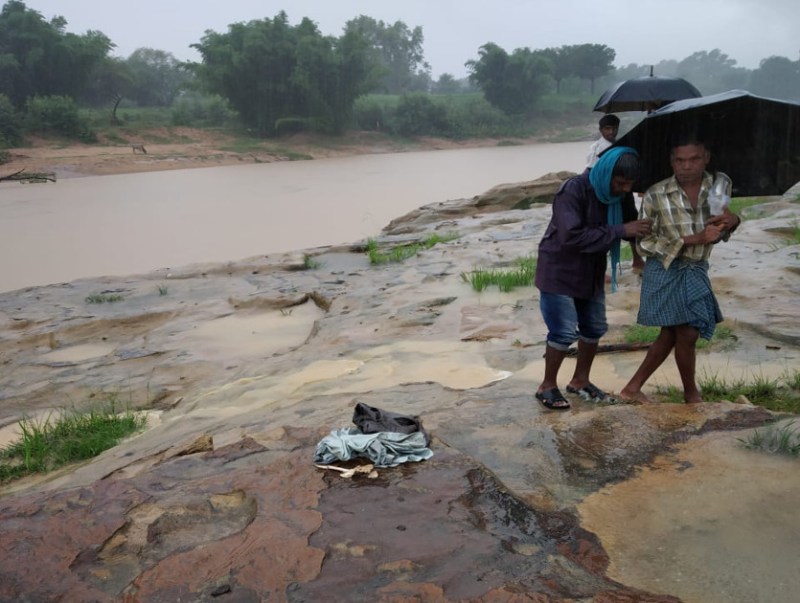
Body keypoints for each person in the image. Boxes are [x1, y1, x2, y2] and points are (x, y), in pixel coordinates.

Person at [619, 137, 741, 404]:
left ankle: (633, 388)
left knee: (671, 333)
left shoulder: (719, 187)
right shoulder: (656, 194)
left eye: (694, 159)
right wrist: (692, 239)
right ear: (671, 162)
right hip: (664, 268)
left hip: (696, 267)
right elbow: (644, 243)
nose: (687, 166)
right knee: (687, 331)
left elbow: (722, 227)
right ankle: (690, 394)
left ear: (706, 157)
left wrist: (733, 221)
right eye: (680, 160)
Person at [534, 147, 652, 410]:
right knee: (563, 331)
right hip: (559, 268)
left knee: (594, 327)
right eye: (620, 183)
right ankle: (547, 386)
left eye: (629, 185)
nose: (624, 189)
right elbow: (572, 236)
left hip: (591, 268)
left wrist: (640, 252)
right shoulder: (573, 190)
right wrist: (620, 229)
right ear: (606, 173)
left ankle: (580, 380)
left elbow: (631, 227)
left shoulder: (619, 196)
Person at [587, 114, 645, 273]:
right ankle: (601, 268)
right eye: (607, 129)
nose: (611, 132)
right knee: (604, 226)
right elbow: (592, 172)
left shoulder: (622, 145)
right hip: (605, 193)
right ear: (601, 130)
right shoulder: (595, 149)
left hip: (624, 192)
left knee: (632, 221)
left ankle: (637, 260)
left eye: (614, 128)